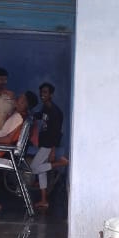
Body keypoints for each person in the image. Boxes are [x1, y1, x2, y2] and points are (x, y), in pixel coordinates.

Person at [30, 82, 68, 210]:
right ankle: (44, 200)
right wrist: (32, 114)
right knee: (41, 172)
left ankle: (61, 163)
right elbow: (41, 116)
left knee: (34, 168)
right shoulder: (46, 107)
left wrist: (53, 150)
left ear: (51, 94)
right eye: (41, 92)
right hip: (44, 142)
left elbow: (56, 132)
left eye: (45, 92)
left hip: (48, 144)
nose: (42, 95)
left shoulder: (55, 111)